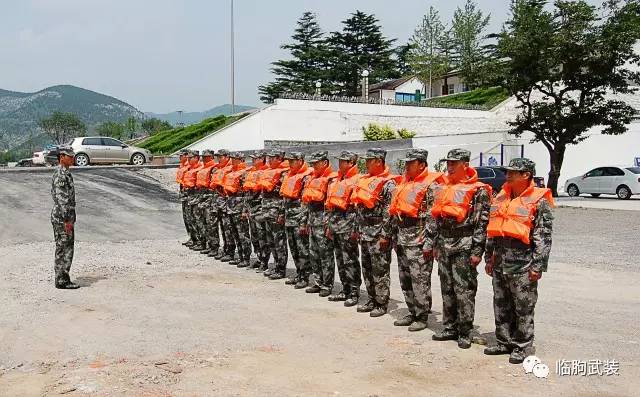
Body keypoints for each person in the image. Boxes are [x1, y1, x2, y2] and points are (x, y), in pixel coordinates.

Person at [483, 158, 554, 364]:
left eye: (514, 172)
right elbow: (493, 231)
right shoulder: (501, 197)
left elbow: (543, 236)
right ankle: (503, 341)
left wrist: (538, 265)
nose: (509, 175)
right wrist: (489, 257)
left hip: (523, 263)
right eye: (508, 172)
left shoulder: (539, 201)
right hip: (500, 261)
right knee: (501, 303)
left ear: (526, 175)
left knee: (523, 305)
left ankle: (522, 346)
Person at [425, 148, 491, 349]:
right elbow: (435, 219)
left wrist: (477, 251)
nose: (450, 167)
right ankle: (450, 326)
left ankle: (465, 331)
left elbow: (482, 223)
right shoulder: (442, 187)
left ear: (465, 165)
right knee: (447, 288)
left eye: (454, 163)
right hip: (444, 243)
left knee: (464, 290)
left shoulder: (479, 190)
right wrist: (434, 243)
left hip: (464, 244)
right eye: (448, 163)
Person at [389, 149, 444, 331]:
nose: (406, 167)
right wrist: (394, 237)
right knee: (405, 279)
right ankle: (412, 311)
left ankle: (421, 316)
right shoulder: (406, 183)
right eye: (405, 163)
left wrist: (429, 243)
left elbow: (432, 218)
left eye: (410, 163)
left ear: (421, 164)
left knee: (419, 280)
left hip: (419, 241)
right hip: (403, 239)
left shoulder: (431, 186)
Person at [350, 148, 399, 317]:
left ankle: (381, 303)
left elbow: (389, 212)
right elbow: (358, 209)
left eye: (369, 160)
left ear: (379, 161)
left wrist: (386, 235)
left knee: (380, 271)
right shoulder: (366, 181)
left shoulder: (389, 184)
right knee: (367, 269)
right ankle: (371, 299)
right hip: (365, 232)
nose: (366, 163)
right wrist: (357, 229)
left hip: (378, 234)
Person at [325, 150, 362, 307]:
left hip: (348, 226)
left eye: (343, 161)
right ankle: (345, 290)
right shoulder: (337, 180)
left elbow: (358, 208)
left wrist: (355, 229)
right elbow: (330, 205)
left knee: (350, 260)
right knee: (340, 259)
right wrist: (329, 226)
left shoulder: (357, 180)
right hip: (336, 225)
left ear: (351, 163)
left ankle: (354, 292)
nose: (339, 164)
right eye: (339, 161)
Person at [302, 151, 338, 297]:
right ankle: (318, 282)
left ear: (325, 163)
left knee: (326, 255)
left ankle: (327, 285)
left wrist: (328, 224)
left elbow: (330, 204)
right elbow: (306, 202)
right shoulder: (312, 178)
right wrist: (305, 222)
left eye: (316, 163)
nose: (314, 166)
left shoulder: (331, 180)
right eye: (312, 163)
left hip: (322, 222)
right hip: (312, 221)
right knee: (314, 253)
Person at [280, 152, 313, 287]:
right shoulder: (289, 175)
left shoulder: (306, 177)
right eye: (289, 161)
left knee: (302, 249)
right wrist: (282, 214)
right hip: (289, 217)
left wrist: (303, 222)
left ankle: (305, 277)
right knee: (294, 248)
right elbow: (285, 198)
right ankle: (299, 273)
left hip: (299, 218)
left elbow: (306, 202)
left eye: (293, 161)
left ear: (300, 161)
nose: (290, 163)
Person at [51, 146, 79, 289]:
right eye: (69, 156)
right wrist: (67, 220)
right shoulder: (61, 174)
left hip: (64, 216)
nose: (72, 158)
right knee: (64, 247)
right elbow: (62, 200)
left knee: (65, 246)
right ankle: (62, 279)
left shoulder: (65, 173)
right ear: (62, 157)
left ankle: (62, 277)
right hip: (62, 217)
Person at [258, 150, 289, 279]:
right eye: (269, 158)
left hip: (276, 212)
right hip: (267, 211)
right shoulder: (269, 172)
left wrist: (281, 213)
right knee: (271, 241)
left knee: (279, 241)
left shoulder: (284, 173)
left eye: (272, 158)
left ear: (279, 159)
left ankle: (281, 269)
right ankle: (276, 266)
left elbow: (284, 196)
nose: (269, 160)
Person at [223, 152, 252, 267]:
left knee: (243, 233)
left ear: (241, 160)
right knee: (234, 232)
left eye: (236, 159)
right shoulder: (231, 172)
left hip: (239, 206)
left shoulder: (244, 173)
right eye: (232, 159)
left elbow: (247, 194)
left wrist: (245, 210)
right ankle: (240, 256)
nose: (233, 161)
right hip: (230, 205)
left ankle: (246, 258)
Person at [242, 150, 269, 270]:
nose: (253, 160)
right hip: (251, 208)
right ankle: (259, 258)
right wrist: (245, 208)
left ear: (262, 159)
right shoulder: (251, 172)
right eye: (252, 158)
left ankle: (264, 261)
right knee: (254, 236)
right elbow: (246, 193)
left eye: (255, 158)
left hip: (260, 208)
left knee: (262, 236)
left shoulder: (266, 172)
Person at [209, 150, 234, 261]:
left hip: (225, 203)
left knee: (227, 228)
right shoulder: (217, 169)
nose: (219, 159)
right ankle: (223, 250)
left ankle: (230, 252)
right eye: (217, 157)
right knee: (220, 227)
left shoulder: (231, 169)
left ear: (227, 157)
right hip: (217, 202)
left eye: (221, 157)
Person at [194, 150, 218, 255]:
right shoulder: (203, 168)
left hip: (210, 199)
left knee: (211, 224)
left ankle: (214, 247)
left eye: (207, 157)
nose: (204, 159)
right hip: (202, 198)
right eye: (203, 157)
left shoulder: (214, 168)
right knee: (202, 222)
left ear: (212, 157)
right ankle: (207, 244)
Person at [182, 151, 205, 250]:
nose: (188, 159)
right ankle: (194, 239)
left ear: (196, 158)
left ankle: (202, 242)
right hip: (189, 197)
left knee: (199, 220)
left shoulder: (200, 169)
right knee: (190, 219)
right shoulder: (189, 169)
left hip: (197, 198)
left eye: (190, 158)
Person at [176, 150, 193, 246]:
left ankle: (194, 238)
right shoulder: (182, 166)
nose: (180, 157)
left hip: (188, 194)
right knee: (186, 217)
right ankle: (191, 236)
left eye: (181, 155)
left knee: (190, 217)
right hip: (184, 193)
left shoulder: (189, 167)